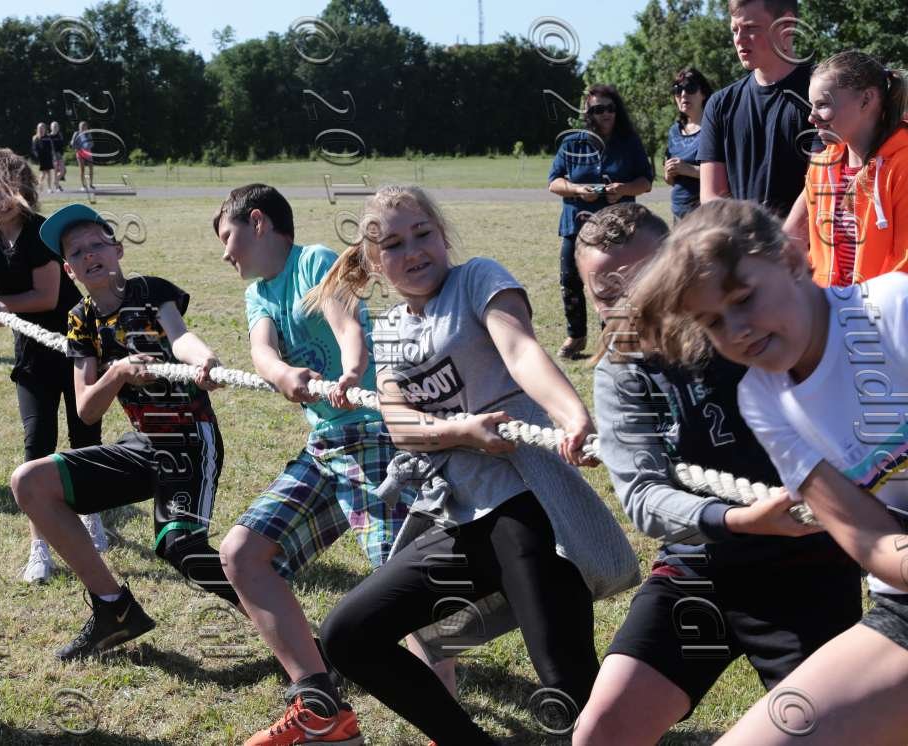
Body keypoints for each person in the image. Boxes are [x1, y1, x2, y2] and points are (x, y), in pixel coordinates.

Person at [314, 185, 639, 745]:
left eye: (423, 234)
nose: (413, 251)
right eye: (393, 245)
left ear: (443, 235)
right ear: (375, 262)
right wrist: (460, 432)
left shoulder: (477, 280)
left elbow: (521, 351)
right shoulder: (389, 330)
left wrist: (572, 416)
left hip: (526, 508)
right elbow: (400, 424)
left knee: (569, 692)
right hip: (454, 522)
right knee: (348, 634)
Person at [568, 203, 860, 746]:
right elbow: (642, 494)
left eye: (648, 280)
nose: (632, 304)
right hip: (698, 568)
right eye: (607, 294)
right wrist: (738, 520)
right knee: (601, 731)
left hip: (805, 570)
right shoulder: (623, 365)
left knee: (827, 733)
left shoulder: (753, 333)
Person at [629, 198, 908, 746]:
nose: (737, 330)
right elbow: (873, 539)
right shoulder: (762, 400)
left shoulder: (893, 309)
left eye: (744, 298)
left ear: (792, 259)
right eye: (712, 321)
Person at [212, 184, 437, 746]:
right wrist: (282, 375)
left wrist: (352, 371)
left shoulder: (312, 260)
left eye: (228, 236)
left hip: (372, 434)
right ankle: (322, 709)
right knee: (242, 554)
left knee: (404, 577)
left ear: (257, 221)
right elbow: (262, 350)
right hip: (324, 448)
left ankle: (446, 727)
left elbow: (346, 325)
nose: (225, 253)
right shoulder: (258, 292)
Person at [10, 203, 238, 660]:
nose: (89, 255)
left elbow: (179, 337)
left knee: (182, 549)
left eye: (97, 244)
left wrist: (204, 360)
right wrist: (117, 373)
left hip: (188, 438)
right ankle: (114, 608)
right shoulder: (80, 319)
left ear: (117, 250)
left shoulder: (150, 291)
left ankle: (295, 638)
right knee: (29, 481)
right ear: (69, 270)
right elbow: (86, 409)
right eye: (77, 252)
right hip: (141, 445)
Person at [0, 148, 107, 583]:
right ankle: (38, 546)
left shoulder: (42, 232)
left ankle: (92, 515)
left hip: (76, 344)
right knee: (37, 443)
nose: (0, 201)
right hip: (32, 352)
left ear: (24, 191)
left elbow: (45, 297)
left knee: (84, 437)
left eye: (8, 192)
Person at [780, 51, 908, 287]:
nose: (811, 118)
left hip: (886, 307)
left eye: (823, 105)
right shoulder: (821, 167)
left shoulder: (902, 165)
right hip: (832, 305)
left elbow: (903, 267)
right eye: (812, 105)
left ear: (866, 100)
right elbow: (812, 254)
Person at [548, 84, 653, 360]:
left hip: (616, 228)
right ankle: (576, 336)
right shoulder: (572, 143)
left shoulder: (629, 143)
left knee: (612, 283)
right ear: (588, 113)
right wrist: (577, 190)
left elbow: (646, 182)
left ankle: (611, 337)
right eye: (597, 109)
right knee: (570, 280)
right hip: (576, 226)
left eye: (609, 108)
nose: (604, 114)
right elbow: (554, 182)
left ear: (617, 110)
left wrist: (624, 189)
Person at [699, 0, 812, 218]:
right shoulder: (720, 104)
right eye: (735, 30)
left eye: (751, 28)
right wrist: (748, 234)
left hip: (803, 240)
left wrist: (779, 236)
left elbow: (821, 186)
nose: (739, 39)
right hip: (740, 237)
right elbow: (711, 196)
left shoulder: (823, 95)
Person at [664, 68, 714, 220]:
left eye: (690, 88)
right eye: (678, 90)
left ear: (703, 94)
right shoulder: (674, 131)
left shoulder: (714, 128)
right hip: (678, 215)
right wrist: (669, 173)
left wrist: (689, 170)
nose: (683, 94)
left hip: (705, 216)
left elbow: (727, 173)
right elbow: (671, 181)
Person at [31, 123, 55, 194]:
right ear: (37, 129)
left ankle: (49, 188)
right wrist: (37, 155)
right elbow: (34, 148)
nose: (41, 129)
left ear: (45, 129)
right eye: (39, 128)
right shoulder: (35, 138)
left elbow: (51, 147)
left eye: (42, 128)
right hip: (41, 158)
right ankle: (40, 187)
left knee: (49, 172)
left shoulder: (48, 137)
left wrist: (53, 155)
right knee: (43, 173)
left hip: (48, 157)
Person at [70, 121, 94, 192]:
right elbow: (72, 143)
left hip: (88, 152)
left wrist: (88, 146)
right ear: (79, 127)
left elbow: (92, 143)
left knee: (91, 168)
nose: (83, 128)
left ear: (86, 127)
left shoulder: (88, 133)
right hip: (80, 153)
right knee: (82, 170)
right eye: (81, 126)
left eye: (84, 126)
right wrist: (77, 147)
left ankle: (91, 184)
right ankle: (83, 185)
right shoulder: (76, 133)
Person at [49, 122, 66, 191]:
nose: (55, 128)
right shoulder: (49, 136)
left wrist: (62, 154)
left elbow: (62, 146)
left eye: (57, 126)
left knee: (63, 171)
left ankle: (55, 182)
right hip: (53, 155)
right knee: (55, 171)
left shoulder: (60, 135)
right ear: (51, 128)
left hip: (59, 155)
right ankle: (57, 186)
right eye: (54, 126)